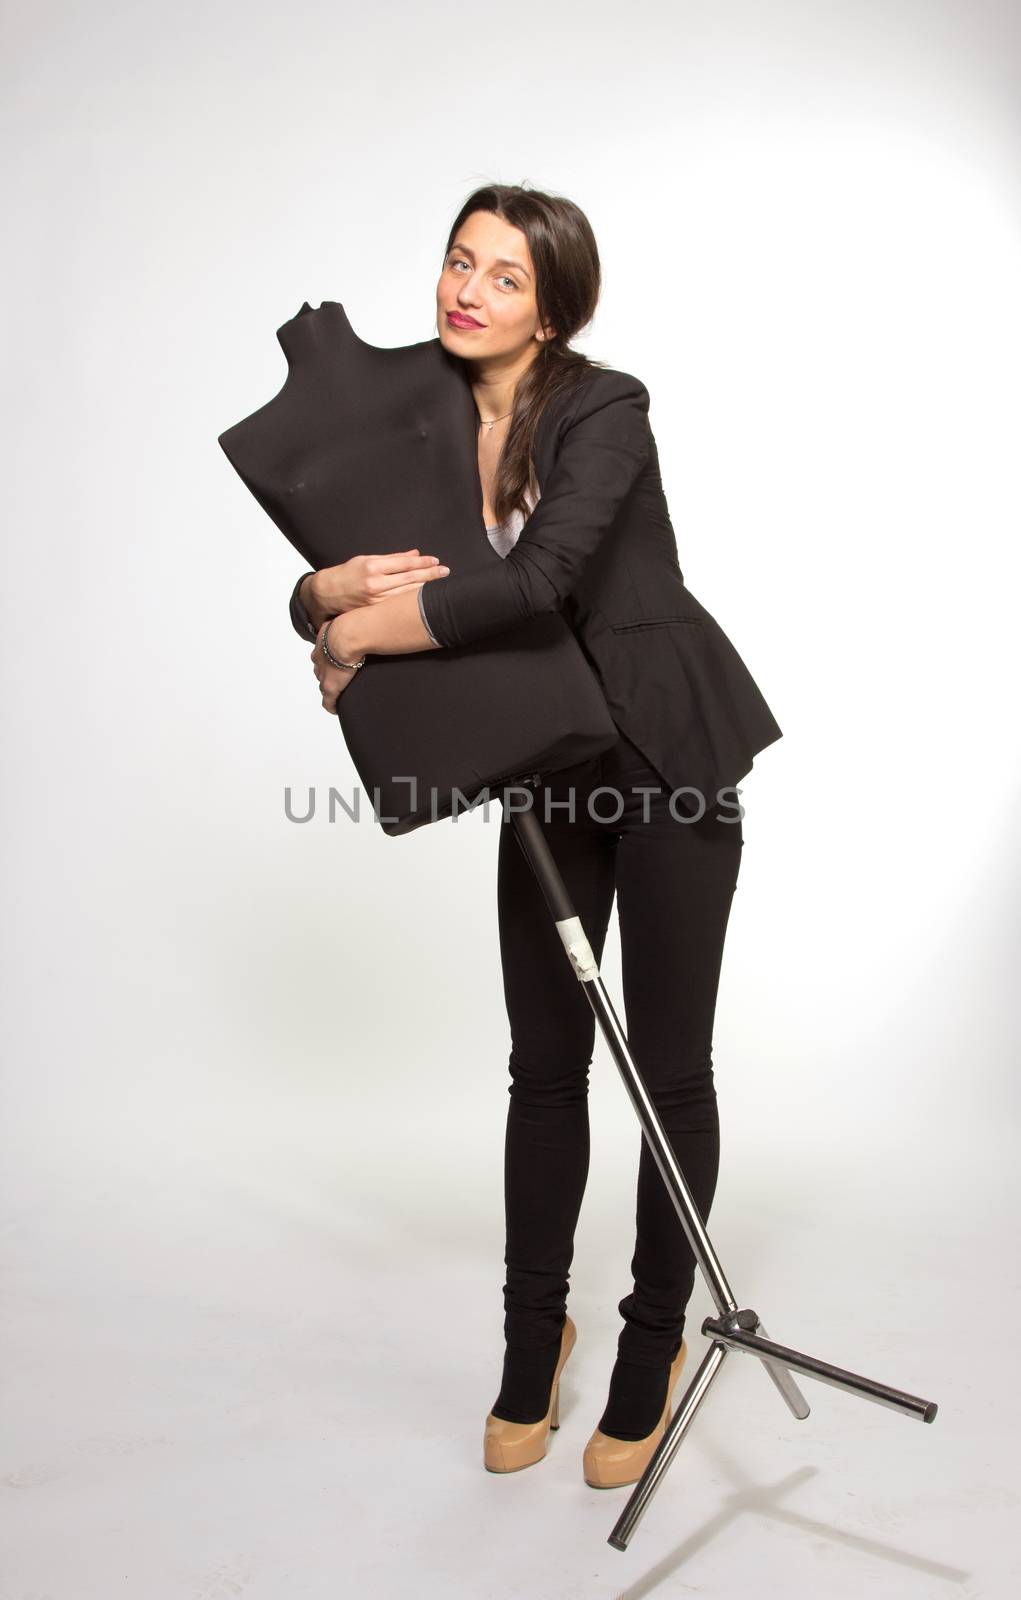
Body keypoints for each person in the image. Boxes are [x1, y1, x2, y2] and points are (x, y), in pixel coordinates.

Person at [287, 183, 783, 1487]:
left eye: (503, 276)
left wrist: (363, 632)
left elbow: (538, 579)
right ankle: (530, 1339)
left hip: (666, 745)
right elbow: (348, 553)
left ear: (553, 304)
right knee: (545, 1065)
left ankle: (650, 1342)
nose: (466, 289)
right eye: (458, 261)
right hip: (542, 759)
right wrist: (321, 593)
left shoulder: (602, 407)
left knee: (665, 1068)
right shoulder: (427, 416)